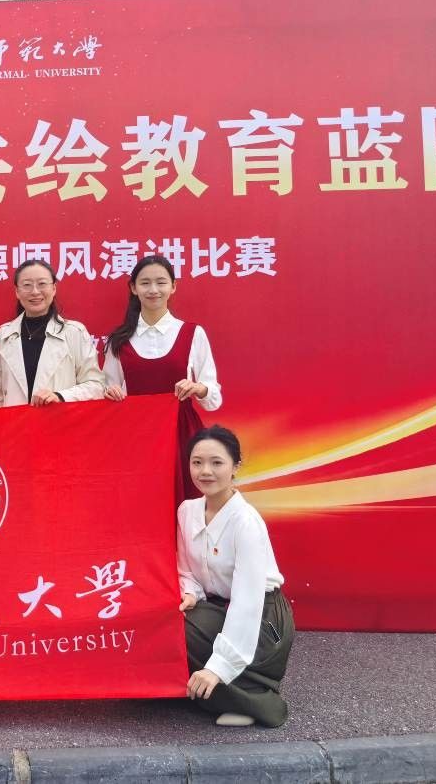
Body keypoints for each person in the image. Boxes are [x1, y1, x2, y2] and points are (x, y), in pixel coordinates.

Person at [177, 426, 294, 728]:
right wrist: (190, 592)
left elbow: (247, 602)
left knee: (191, 635)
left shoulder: (246, 522)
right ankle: (205, 691)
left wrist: (218, 667)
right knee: (170, 622)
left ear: (235, 467)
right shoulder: (187, 511)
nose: (205, 471)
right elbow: (186, 569)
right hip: (217, 607)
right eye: (197, 462)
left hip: (263, 618)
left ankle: (260, 702)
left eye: (216, 462)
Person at [103, 255, 221, 503]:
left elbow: (213, 398)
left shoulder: (192, 333)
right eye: (145, 283)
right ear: (133, 288)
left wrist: (198, 388)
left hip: (182, 433)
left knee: (187, 505)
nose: (153, 290)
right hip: (135, 436)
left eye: (161, 282)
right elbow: (106, 388)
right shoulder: (118, 341)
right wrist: (111, 393)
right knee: (143, 503)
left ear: (173, 286)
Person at [0, 259, 104, 407]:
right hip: (14, 421)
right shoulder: (4, 334)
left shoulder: (74, 332)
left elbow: (96, 385)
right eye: (27, 285)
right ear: (17, 292)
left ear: (53, 288)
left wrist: (60, 396)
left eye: (42, 284)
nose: (35, 292)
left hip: (60, 419)